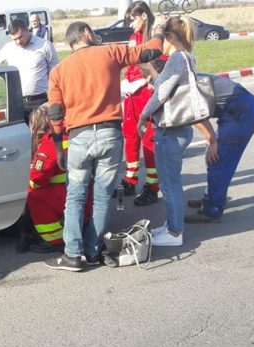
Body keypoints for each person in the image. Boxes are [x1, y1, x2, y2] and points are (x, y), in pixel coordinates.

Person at [44, 21, 164, 272]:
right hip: (110, 134)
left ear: (71, 42)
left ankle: (72, 255)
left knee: (75, 198)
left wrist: (58, 148)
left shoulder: (59, 71)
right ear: (87, 33)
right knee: (101, 198)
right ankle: (92, 250)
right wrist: (159, 33)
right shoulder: (110, 52)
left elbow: (55, 113)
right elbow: (149, 52)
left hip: (79, 138)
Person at [137, 16, 197, 247]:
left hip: (170, 130)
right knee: (171, 181)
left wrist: (143, 116)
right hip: (180, 128)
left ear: (169, 37)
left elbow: (160, 94)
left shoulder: (176, 59)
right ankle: (172, 224)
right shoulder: (188, 56)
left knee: (169, 184)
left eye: (161, 36)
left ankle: (174, 233)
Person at [183, 76, 254, 223]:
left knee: (217, 159)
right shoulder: (184, 76)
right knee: (213, 157)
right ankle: (214, 198)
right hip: (239, 108)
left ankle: (212, 210)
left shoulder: (181, 87)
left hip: (242, 113)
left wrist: (212, 141)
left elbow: (196, 117)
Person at [26, 105, 93, 253]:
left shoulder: (49, 143)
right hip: (84, 192)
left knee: (32, 192)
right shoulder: (70, 134)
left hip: (64, 193)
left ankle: (54, 238)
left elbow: (38, 177)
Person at [121, 1, 162, 206]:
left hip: (147, 94)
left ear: (144, 16)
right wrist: (126, 81)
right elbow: (129, 65)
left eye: (133, 20)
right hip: (132, 96)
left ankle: (152, 187)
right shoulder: (134, 38)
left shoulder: (155, 37)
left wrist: (145, 81)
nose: (131, 25)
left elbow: (161, 65)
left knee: (149, 140)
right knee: (130, 136)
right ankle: (130, 180)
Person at [0, 19, 59, 119]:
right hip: (17, 102)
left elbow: (55, 71)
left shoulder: (44, 45)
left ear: (27, 30)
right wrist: (5, 78)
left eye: (20, 37)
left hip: (40, 101)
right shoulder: (9, 48)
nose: (18, 42)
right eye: (14, 39)